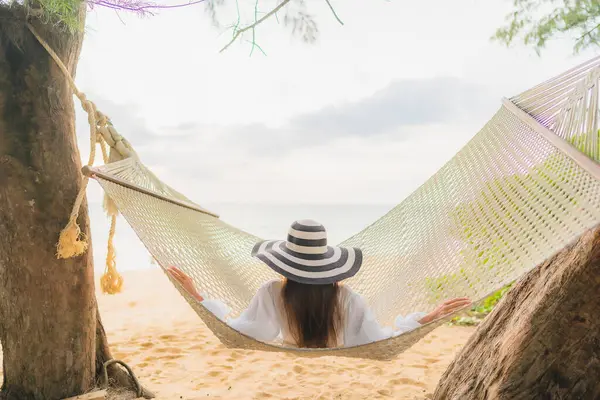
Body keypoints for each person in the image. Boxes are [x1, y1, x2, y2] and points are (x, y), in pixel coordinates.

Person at [168, 219, 470, 349]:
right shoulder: (349, 299)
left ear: (284, 261)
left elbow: (241, 332)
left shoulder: (273, 292)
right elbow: (377, 342)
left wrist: (197, 294)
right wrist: (425, 319)